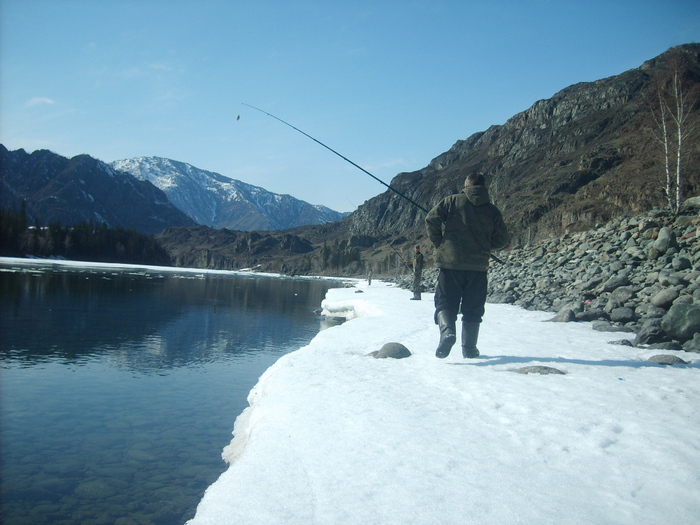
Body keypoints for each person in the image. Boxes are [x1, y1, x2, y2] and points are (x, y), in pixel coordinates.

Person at [425, 173, 509, 359]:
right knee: (473, 308)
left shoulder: (452, 201)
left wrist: (439, 242)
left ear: (466, 185)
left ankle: (447, 333)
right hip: (478, 266)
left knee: (445, 302)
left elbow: (431, 219)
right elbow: (502, 239)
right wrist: (486, 245)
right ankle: (469, 349)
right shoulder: (492, 210)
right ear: (484, 187)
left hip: (450, 263)